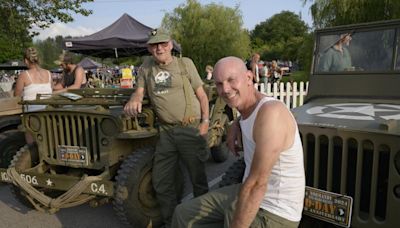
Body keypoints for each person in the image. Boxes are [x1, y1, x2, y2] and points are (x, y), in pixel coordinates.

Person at [172, 56, 305, 228]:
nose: (225, 89)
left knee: (233, 214)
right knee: (183, 214)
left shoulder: (271, 113)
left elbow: (257, 184)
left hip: (275, 210)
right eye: (219, 83)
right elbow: (248, 112)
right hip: (247, 189)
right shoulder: (246, 109)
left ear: (249, 78)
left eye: (231, 80)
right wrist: (236, 123)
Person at [124, 29, 210, 228]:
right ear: (149, 48)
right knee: (162, 181)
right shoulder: (146, 67)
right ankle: (173, 222)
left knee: (198, 179)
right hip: (166, 132)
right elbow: (138, 92)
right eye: (154, 45)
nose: (159, 48)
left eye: (163, 43)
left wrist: (205, 122)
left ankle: (204, 221)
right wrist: (134, 99)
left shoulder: (184, 63)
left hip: (190, 128)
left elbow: (202, 95)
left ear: (171, 44)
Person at [14, 47, 53, 143]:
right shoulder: (48, 73)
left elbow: (16, 96)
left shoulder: (24, 75)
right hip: (49, 113)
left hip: (32, 114)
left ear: (26, 61)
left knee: (32, 145)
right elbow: (50, 91)